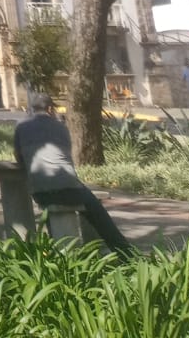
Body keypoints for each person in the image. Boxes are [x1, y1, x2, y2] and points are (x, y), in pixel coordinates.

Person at [13, 93, 133, 256]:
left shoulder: (20, 127)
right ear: (50, 109)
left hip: (39, 192)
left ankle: (58, 256)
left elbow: (19, 158)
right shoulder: (61, 127)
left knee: (50, 209)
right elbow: (65, 157)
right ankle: (126, 254)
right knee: (97, 211)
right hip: (69, 187)